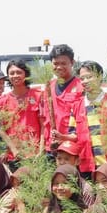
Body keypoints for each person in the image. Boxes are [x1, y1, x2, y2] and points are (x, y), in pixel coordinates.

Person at [42, 44, 93, 174]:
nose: (59, 67)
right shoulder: (49, 87)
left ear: (72, 63)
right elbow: (44, 119)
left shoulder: (81, 86)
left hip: (72, 149)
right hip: (52, 148)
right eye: (55, 63)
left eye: (63, 63)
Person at [0, 59, 45, 163]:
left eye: (19, 72)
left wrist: (41, 152)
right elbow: (2, 130)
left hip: (34, 154)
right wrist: (14, 151)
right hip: (14, 156)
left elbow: (43, 126)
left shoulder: (38, 95)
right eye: (12, 73)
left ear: (26, 74)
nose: (15, 75)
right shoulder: (2, 101)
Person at [79, 60, 107, 165]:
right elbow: (73, 134)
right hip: (87, 164)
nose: (85, 81)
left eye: (89, 77)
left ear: (100, 76)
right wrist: (62, 137)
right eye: (82, 78)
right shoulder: (77, 105)